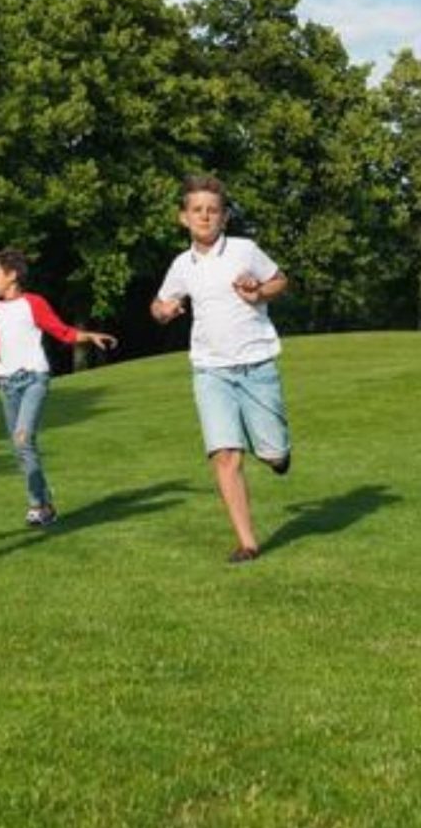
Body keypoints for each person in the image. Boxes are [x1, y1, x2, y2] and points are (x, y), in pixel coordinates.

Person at [151, 174, 291, 564]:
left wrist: (259, 292)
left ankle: (278, 454)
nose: (205, 216)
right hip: (210, 371)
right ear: (184, 218)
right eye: (197, 210)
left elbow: (280, 280)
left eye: (213, 210)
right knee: (225, 455)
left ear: (224, 217)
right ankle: (248, 543)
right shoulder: (182, 265)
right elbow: (159, 305)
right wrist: (164, 311)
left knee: (272, 453)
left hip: (257, 365)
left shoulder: (245, 251)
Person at [0, 249, 116, 528]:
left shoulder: (33, 303)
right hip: (8, 385)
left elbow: (61, 331)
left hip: (34, 380)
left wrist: (89, 336)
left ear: (12, 275)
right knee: (21, 448)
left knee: (22, 439)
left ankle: (35, 505)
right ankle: (45, 505)